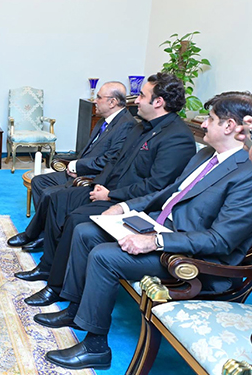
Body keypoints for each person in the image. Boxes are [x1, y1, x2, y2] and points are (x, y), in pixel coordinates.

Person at [36, 91, 252, 371]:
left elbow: (221, 240)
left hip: (196, 259)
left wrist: (155, 241)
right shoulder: (207, 154)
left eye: (211, 119)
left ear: (230, 126)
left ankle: (96, 347)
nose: (203, 125)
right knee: (86, 232)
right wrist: (124, 207)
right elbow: (168, 192)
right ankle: (75, 309)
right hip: (161, 226)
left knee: (104, 256)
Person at [19, 73, 196, 301]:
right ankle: (47, 267)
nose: (136, 100)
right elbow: (114, 161)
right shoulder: (141, 126)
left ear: (159, 102)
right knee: (56, 199)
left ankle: (58, 288)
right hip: (107, 189)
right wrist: (99, 185)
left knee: (74, 219)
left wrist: (111, 195)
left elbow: (157, 187)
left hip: (129, 202)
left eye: (142, 95)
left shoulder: (177, 137)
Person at [7, 81, 136, 253]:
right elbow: (89, 151)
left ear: (112, 102)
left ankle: (34, 234)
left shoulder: (126, 125)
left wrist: (78, 167)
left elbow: (109, 160)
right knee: (39, 182)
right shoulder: (102, 121)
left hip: (92, 177)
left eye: (99, 97)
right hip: (79, 170)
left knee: (49, 193)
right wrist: (73, 165)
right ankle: (45, 232)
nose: (95, 101)